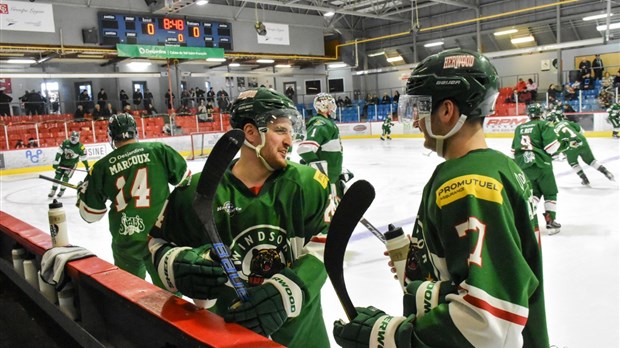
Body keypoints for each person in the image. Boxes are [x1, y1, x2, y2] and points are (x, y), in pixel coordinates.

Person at [333, 49, 549, 348]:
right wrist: (428, 257)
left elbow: (489, 323)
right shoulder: (499, 166)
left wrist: (389, 335)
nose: (417, 121)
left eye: (420, 108)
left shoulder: (466, 184)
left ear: (447, 110)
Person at [148, 87, 333, 347]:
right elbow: (156, 245)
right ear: (250, 132)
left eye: (290, 131)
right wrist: (178, 264)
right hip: (226, 335)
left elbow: (327, 248)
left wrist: (285, 293)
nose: (290, 141)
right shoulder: (196, 191)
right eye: (281, 130)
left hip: (301, 336)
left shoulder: (310, 184)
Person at [77, 113, 191, 287]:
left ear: (111, 136)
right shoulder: (159, 150)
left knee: (130, 292)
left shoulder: (100, 167)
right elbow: (186, 184)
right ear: (134, 131)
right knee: (171, 300)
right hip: (161, 236)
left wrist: (82, 195)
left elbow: (91, 215)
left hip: (126, 239)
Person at [512, 103, 563, 234]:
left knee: (533, 194)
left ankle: (525, 222)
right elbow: (551, 148)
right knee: (549, 192)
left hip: (524, 166)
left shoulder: (519, 128)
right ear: (541, 112)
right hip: (541, 165)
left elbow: (513, 151)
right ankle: (550, 222)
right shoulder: (544, 124)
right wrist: (564, 145)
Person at [297, 92, 350, 201]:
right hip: (326, 182)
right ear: (322, 106)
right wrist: (321, 171)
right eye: (330, 104)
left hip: (333, 179)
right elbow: (304, 149)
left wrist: (338, 169)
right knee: (328, 214)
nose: (333, 106)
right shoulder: (320, 123)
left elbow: (330, 151)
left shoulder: (328, 123)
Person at [546, 109, 614, 185]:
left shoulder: (552, 130)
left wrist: (558, 153)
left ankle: (584, 179)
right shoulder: (566, 122)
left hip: (570, 146)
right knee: (591, 161)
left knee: (573, 163)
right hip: (581, 140)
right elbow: (582, 131)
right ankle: (605, 171)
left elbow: (556, 145)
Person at [49, 131, 90, 198]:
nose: (73, 140)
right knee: (57, 177)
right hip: (62, 163)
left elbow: (84, 158)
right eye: (72, 138)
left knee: (65, 178)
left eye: (75, 139)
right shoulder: (65, 142)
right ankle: (53, 190)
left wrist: (87, 166)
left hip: (71, 165)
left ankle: (62, 190)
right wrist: (56, 161)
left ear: (78, 138)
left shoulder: (81, 147)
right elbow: (59, 152)